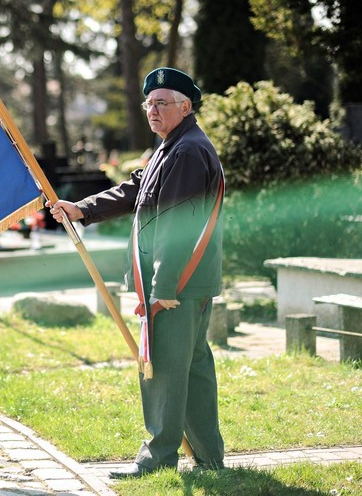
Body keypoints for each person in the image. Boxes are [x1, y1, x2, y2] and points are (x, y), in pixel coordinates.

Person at [49, 67, 225, 478]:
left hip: (176, 283)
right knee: (193, 366)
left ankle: (158, 458)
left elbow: (178, 226)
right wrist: (83, 209)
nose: (152, 110)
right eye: (149, 103)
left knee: (162, 367)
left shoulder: (186, 151)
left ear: (185, 107)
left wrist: (163, 288)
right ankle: (210, 458)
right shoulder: (172, 147)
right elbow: (135, 189)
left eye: (161, 103)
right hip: (188, 281)